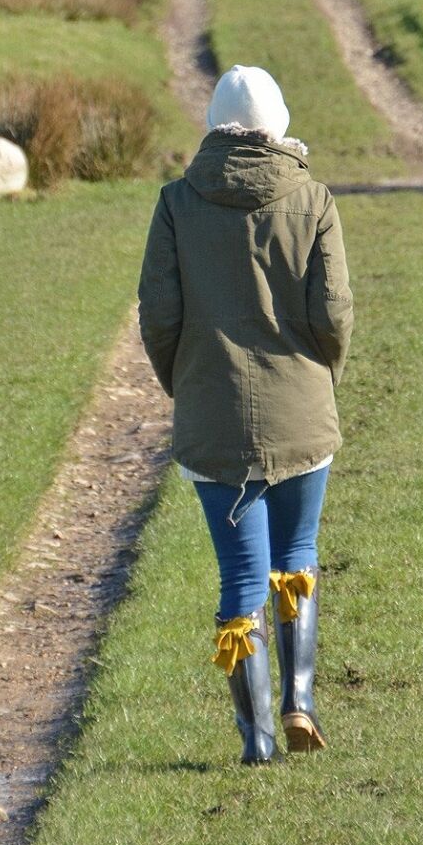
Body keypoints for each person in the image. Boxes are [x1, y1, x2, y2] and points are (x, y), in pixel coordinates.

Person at [138, 64, 353, 764]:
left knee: (239, 578)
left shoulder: (176, 202)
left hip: (213, 415)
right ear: (279, 123)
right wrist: (322, 376)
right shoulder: (314, 197)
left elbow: (159, 316)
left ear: (213, 124)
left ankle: (257, 741)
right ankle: (301, 701)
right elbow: (333, 315)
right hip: (303, 409)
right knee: (296, 557)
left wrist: (186, 384)